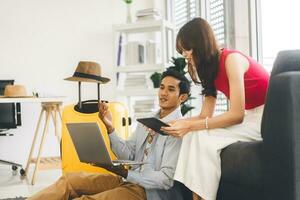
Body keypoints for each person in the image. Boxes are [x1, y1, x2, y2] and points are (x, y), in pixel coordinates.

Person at [28, 69, 191, 200]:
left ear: (182, 97)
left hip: (150, 194)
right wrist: (110, 128)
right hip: (127, 181)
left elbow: (165, 180)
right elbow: (129, 153)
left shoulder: (179, 130)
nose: (163, 93)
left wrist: (126, 173)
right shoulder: (148, 120)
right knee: (69, 181)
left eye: (171, 89)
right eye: (162, 87)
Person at [161, 17, 270, 200]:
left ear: (200, 44)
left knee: (200, 136)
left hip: (268, 117)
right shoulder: (209, 69)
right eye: (182, 51)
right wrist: (176, 123)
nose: (185, 55)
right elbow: (205, 115)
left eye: (187, 49)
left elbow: (236, 115)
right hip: (251, 115)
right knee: (193, 135)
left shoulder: (232, 60)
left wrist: (189, 126)